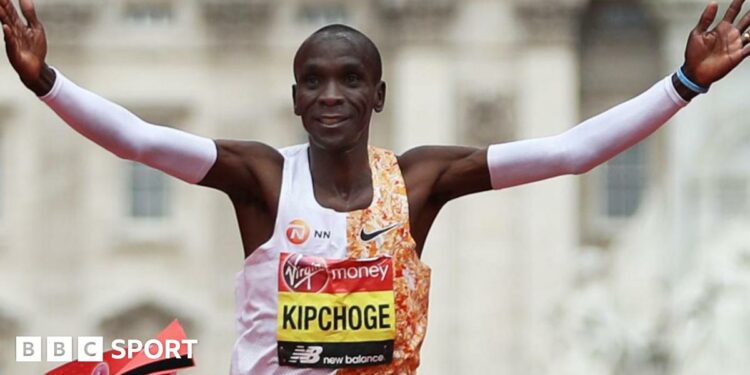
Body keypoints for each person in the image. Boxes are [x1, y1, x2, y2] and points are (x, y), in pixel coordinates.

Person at [2, 0, 750, 373]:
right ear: (295, 99)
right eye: (314, 82)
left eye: (350, 80)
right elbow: (139, 139)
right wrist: (46, 82)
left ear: (378, 96)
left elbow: (570, 151)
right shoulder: (263, 178)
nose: (332, 95)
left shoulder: (420, 181)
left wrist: (682, 84)